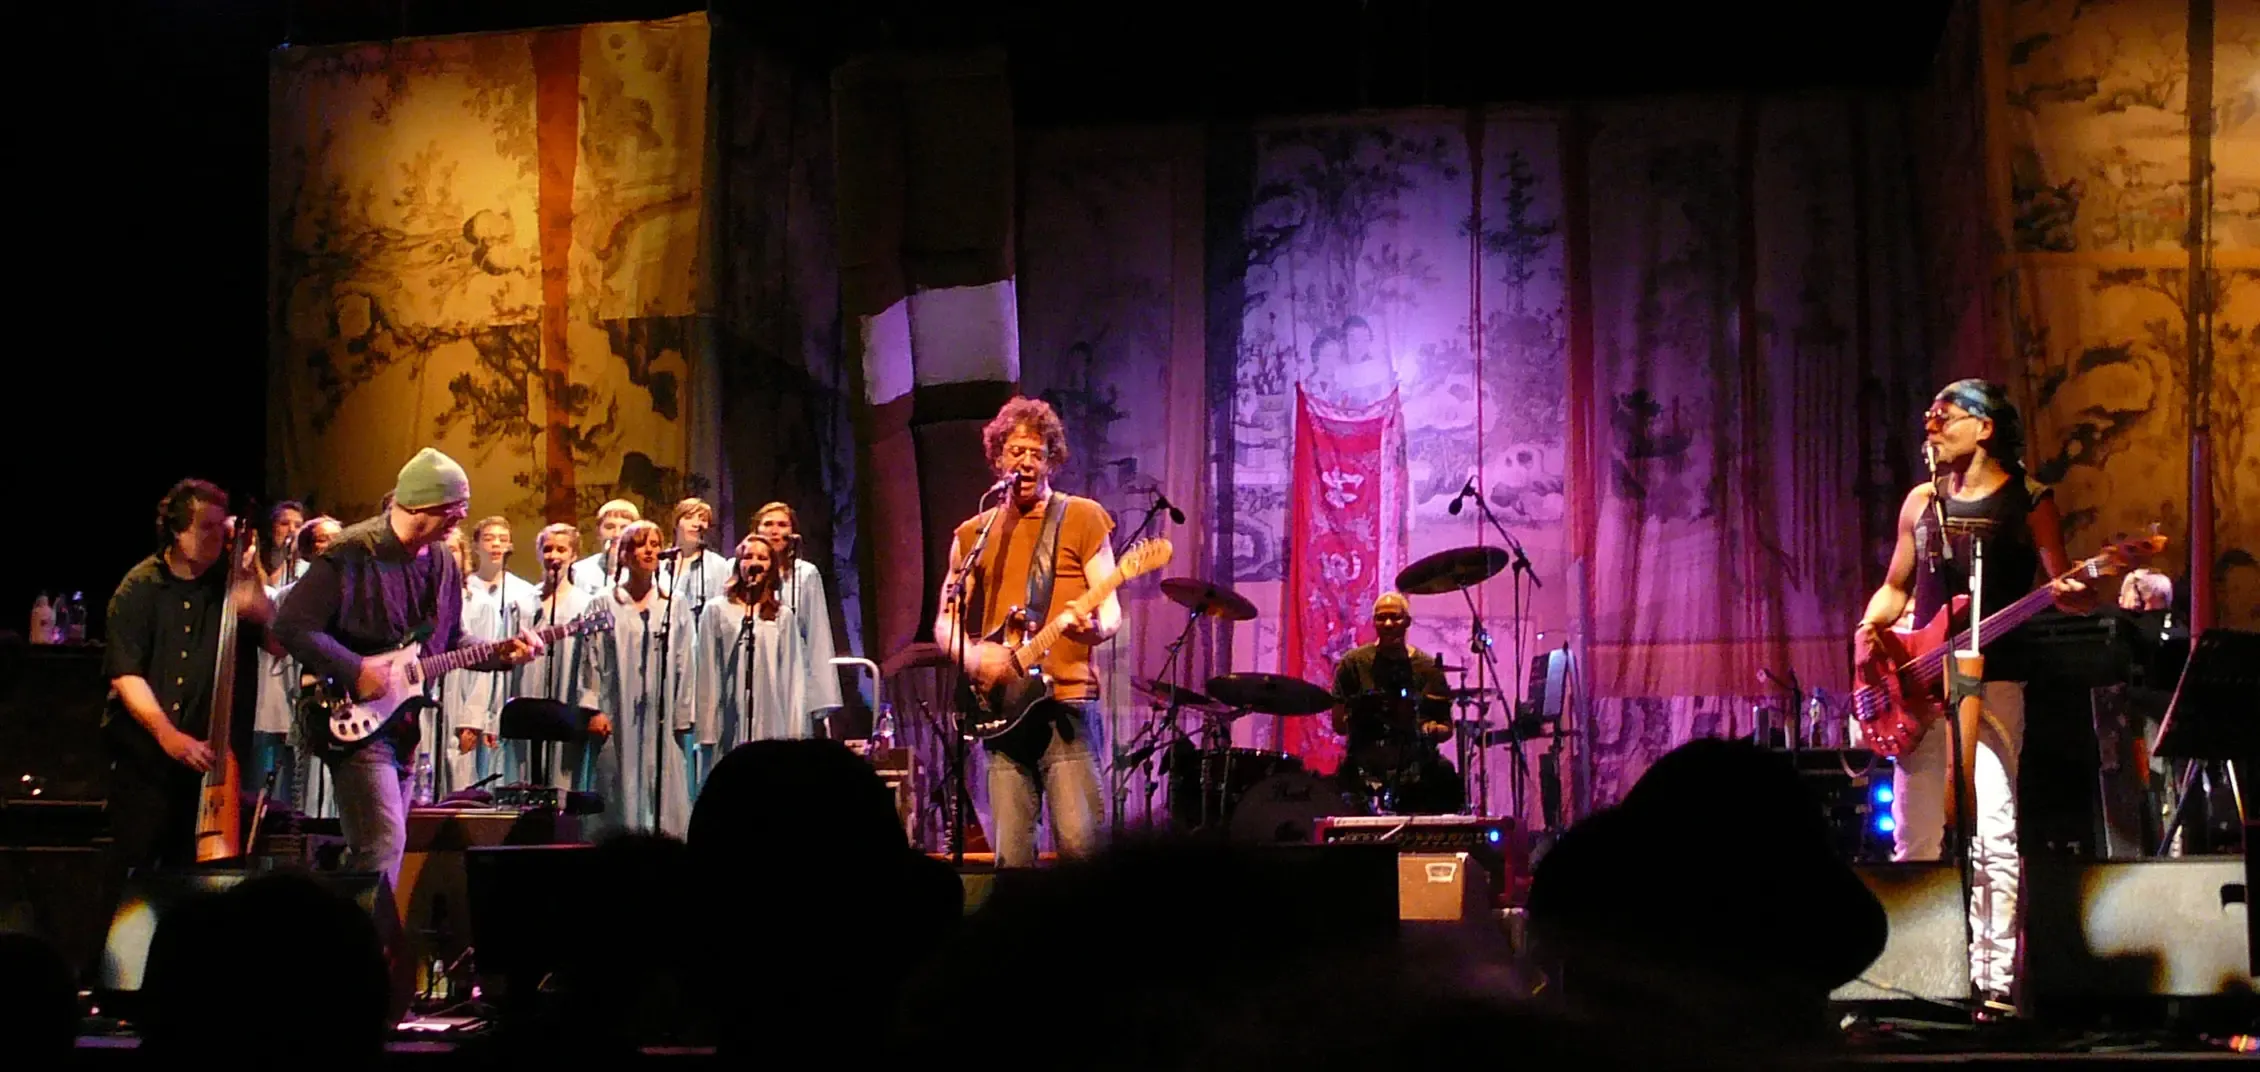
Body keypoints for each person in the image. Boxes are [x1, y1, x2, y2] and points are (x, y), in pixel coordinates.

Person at [1851, 379, 2094, 1015]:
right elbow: (1895, 589)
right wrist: (1866, 630)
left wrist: (2078, 591)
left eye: (1945, 415)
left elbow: (2066, 582)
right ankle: (1917, 972)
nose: (1930, 425)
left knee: (1994, 830)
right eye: (1926, 414)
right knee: (1915, 833)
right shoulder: (1921, 503)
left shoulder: (2029, 500)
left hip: (1996, 681)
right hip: (1921, 686)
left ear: (1984, 427)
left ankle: (1991, 982)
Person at [273, 448, 543, 886]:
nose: (460, 518)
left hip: (403, 721)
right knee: (381, 844)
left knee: (386, 851)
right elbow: (292, 625)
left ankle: (368, 938)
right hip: (349, 716)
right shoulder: (350, 553)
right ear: (417, 505)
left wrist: (499, 653)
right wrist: (354, 668)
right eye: (451, 509)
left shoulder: (441, 562)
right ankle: (359, 946)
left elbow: (451, 640)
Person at [933, 397, 1122, 867]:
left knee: (1081, 850)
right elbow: (945, 619)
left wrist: (1093, 629)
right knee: (1011, 861)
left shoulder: (1082, 516)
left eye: (1037, 453)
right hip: (1001, 708)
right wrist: (975, 660)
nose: (1025, 463)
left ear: (1052, 460)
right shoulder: (973, 534)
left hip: (1066, 705)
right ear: (998, 459)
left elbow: (1112, 611)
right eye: (1015, 452)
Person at [101, 479, 272, 881]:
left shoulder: (231, 584)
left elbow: (279, 644)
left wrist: (256, 592)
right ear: (178, 532)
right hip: (147, 760)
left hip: (212, 764)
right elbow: (126, 674)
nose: (220, 539)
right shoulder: (140, 587)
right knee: (139, 872)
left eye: (223, 529)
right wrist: (168, 736)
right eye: (207, 528)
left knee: (204, 880)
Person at [697, 536, 836, 770]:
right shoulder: (716, 610)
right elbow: (707, 669)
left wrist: (794, 732)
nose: (754, 562)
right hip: (729, 713)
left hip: (772, 711)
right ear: (738, 564)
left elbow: (792, 676)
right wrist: (707, 728)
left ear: (771, 567)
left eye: (762, 558)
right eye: (748, 556)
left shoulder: (782, 615)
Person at [581, 519, 683, 837]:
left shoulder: (672, 604)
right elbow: (590, 659)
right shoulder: (603, 602)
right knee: (616, 781)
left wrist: (682, 713)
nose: (650, 550)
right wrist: (592, 707)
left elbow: (684, 662)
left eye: (655, 544)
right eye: (641, 544)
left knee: (661, 782)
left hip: (659, 712)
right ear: (624, 555)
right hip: (616, 707)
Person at [1329, 591, 1464, 814]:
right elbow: (1338, 725)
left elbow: (1446, 727)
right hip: (1366, 762)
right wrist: (1360, 717)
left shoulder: (1427, 668)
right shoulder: (1353, 663)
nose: (1388, 623)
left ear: (1408, 622)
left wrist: (1431, 729)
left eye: (1395, 617)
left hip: (1416, 767)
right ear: (1373, 622)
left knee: (1444, 775)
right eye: (1381, 618)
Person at [511, 523, 602, 789]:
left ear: (573, 555)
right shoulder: (523, 603)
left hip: (566, 695)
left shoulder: (586, 604)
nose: (554, 555)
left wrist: (589, 706)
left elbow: (591, 661)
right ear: (539, 554)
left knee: (564, 776)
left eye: (562, 549)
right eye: (548, 549)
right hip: (528, 694)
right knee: (525, 773)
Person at [749, 501, 843, 719]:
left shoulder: (805, 574)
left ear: (792, 532)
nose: (775, 531)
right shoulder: (741, 569)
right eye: (768, 524)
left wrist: (821, 695)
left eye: (782, 525)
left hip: (793, 671)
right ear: (756, 530)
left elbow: (817, 634)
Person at [570, 499, 643, 597]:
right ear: (598, 532)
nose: (617, 534)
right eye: (609, 527)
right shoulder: (579, 571)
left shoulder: (645, 570)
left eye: (624, 528)